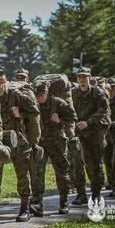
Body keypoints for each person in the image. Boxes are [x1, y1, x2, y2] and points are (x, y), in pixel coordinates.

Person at [0, 72, 41, 221]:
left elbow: (35, 111)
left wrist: (20, 113)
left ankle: (25, 208)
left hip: (19, 141)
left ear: (4, 82)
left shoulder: (16, 94)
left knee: (22, 175)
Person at [34, 81, 77, 214]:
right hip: (41, 142)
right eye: (37, 95)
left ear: (47, 92)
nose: (39, 97)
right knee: (37, 173)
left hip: (57, 142)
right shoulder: (34, 103)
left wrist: (60, 120)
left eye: (41, 94)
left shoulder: (58, 102)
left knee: (62, 173)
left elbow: (73, 117)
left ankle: (64, 202)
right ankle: (37, 204)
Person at [72, 66, 111, 202]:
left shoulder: (98, 93)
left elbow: (103, 110)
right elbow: (69, 109)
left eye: (85, 77)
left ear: (90, 77)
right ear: (77, 79)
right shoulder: (73, 93)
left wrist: (88, 122)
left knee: (94, 163)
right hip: (79, 132)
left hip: (95, 131)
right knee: (77, 163)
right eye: (80, 77)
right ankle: (81, 194)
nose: (82, 80)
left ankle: (96, 194)